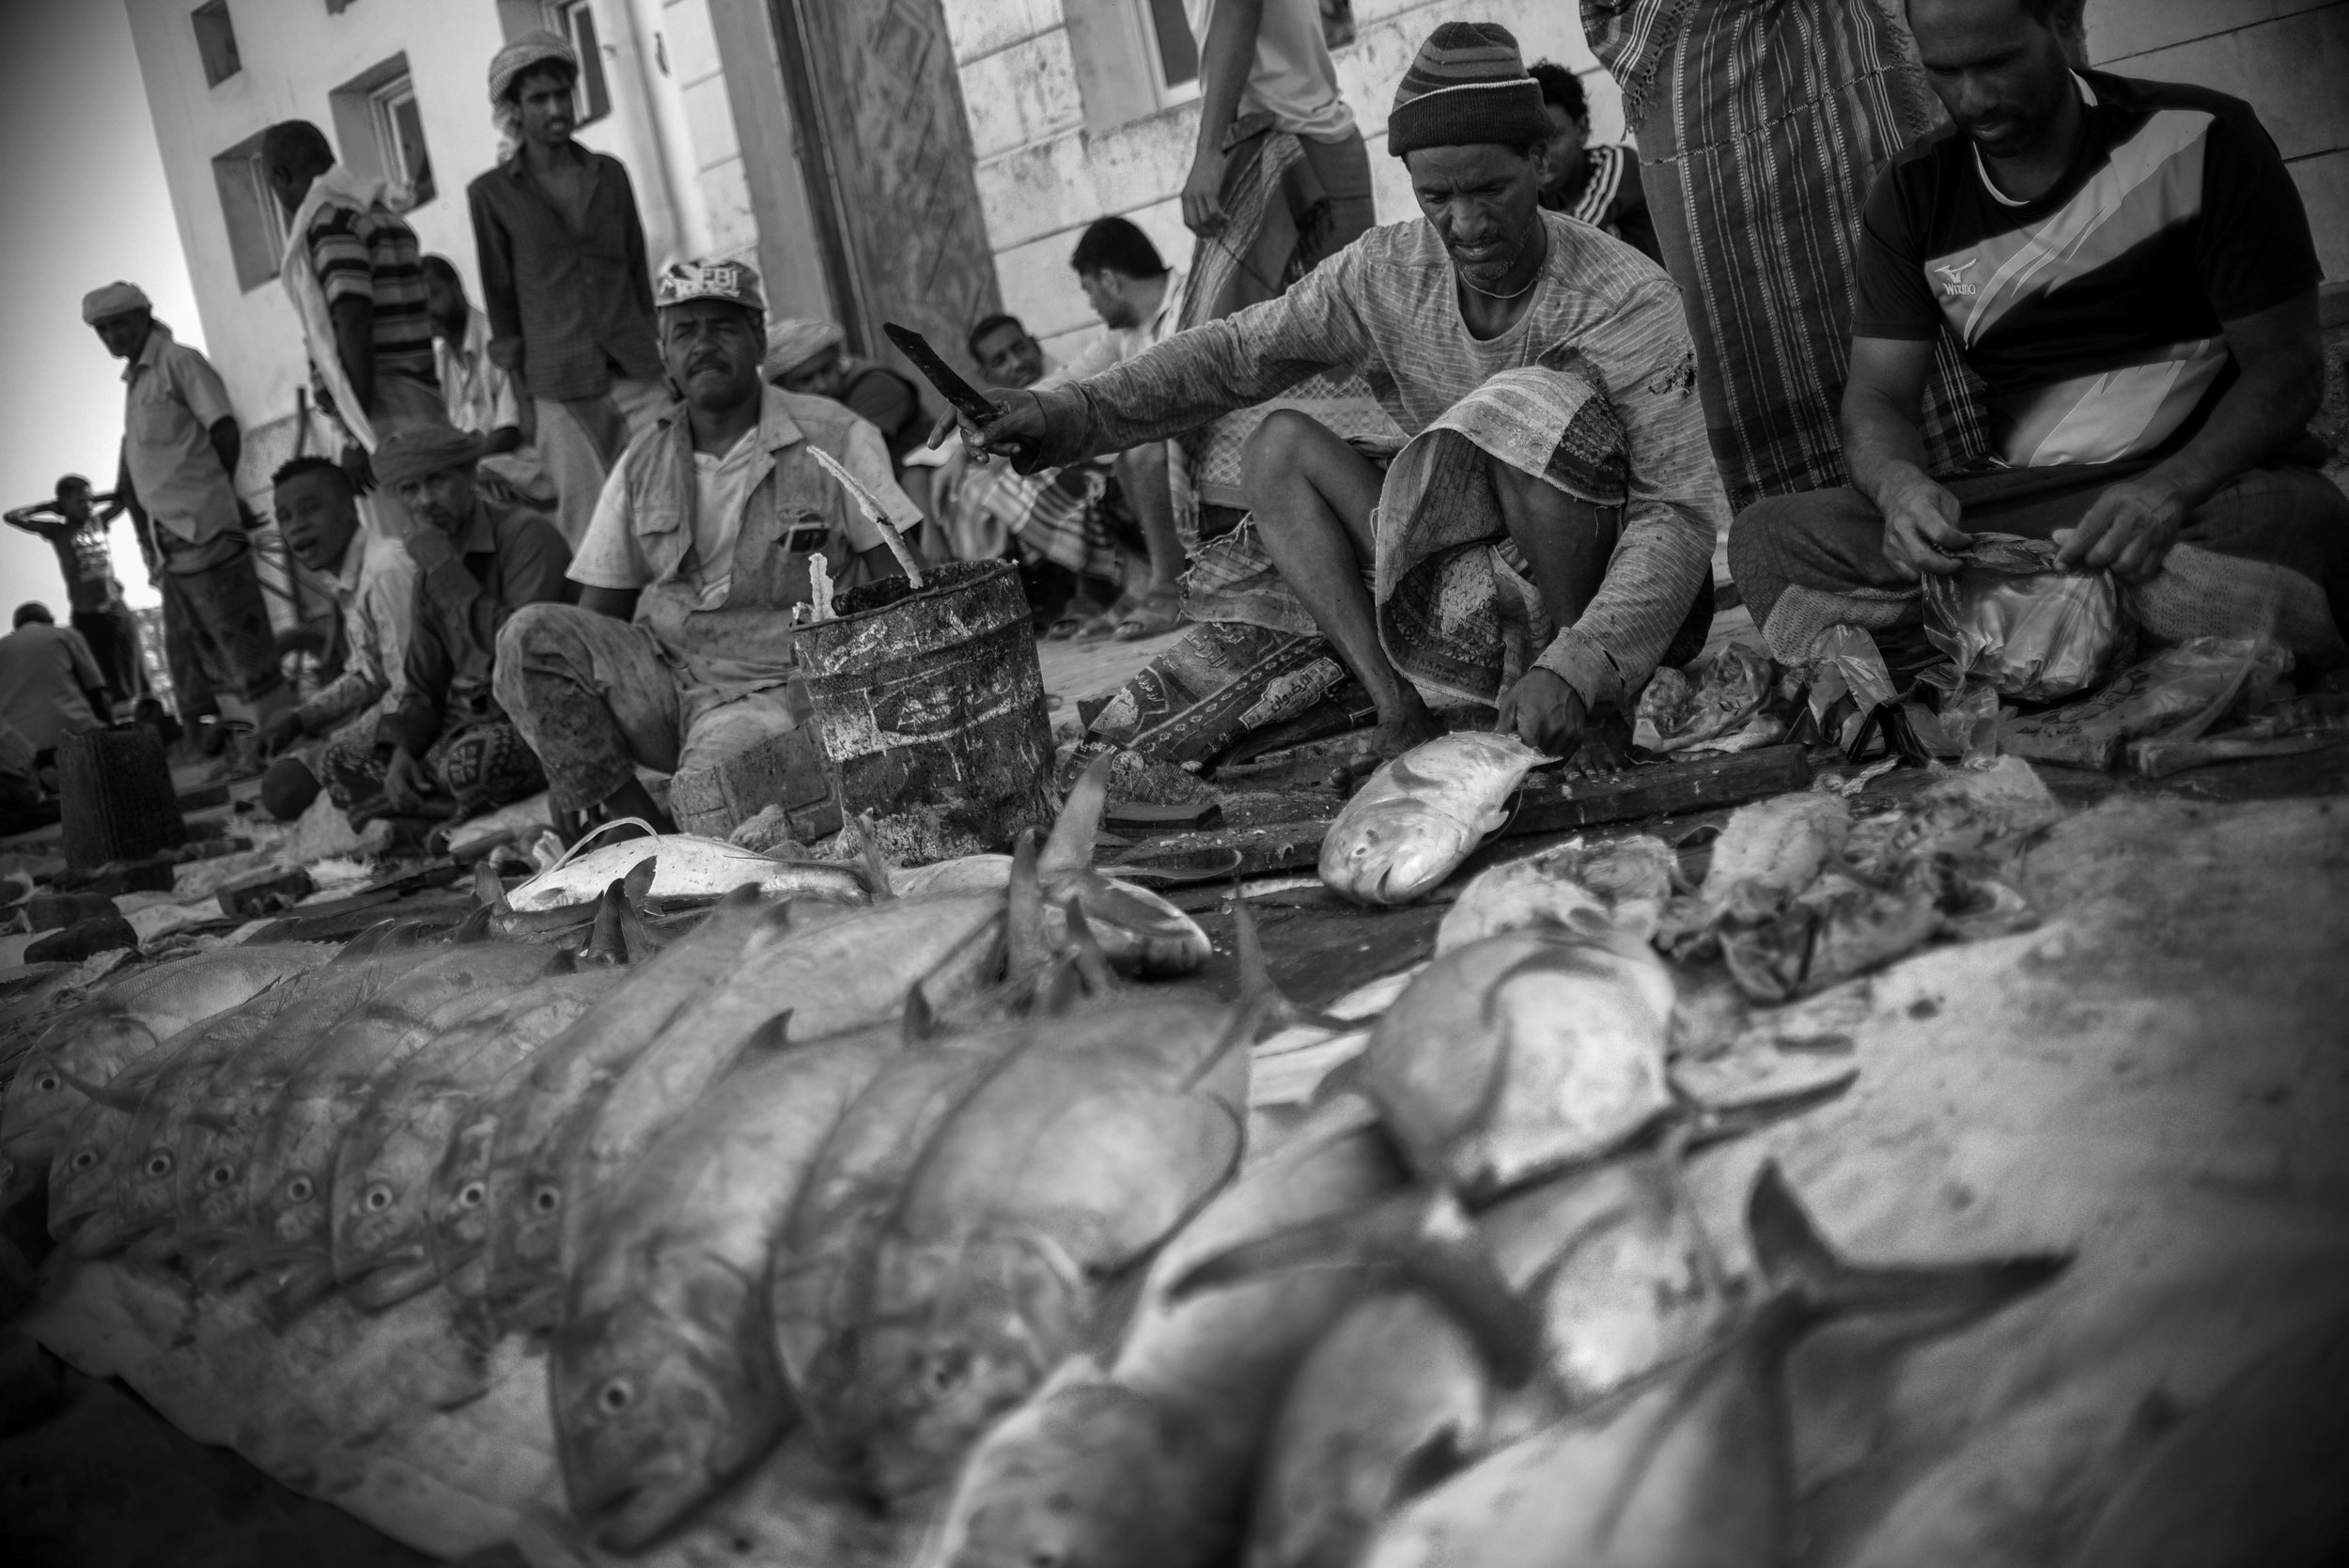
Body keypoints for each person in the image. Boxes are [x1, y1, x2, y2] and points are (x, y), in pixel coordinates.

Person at [954, 23, 1724, 767]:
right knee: (1278, 446)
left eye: (1491, 188)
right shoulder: (1387, 271)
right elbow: (1234, 354)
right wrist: (1070, 413)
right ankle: (1401, 709)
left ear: (1540, 160)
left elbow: (1678, 513)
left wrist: (1582, 666)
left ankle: (1589, 716)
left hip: (1598, 592)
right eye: (1436, 197)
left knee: (1524, 407)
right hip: (1472, 573)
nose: (1466, 223)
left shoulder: (1625, 297)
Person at [1727, 0, 2349, 670]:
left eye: (1996, 64)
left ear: (2063, 21)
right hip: (2025, 519)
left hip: (2199, 495)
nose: (1972, 98)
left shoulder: (2202, 136)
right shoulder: (1912, 195)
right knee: (1768, 541)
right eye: (1945, 71)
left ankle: (2009, 641)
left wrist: (2168, 490)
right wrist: (1898, 486)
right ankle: (2090, 633)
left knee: (2297, 526)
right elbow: (1877, 395)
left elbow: (2289, 369)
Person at [494, 258, 921, 834]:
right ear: (664, 354)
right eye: (685, 332)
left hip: (775, 688)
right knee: (528, 636)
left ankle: (678, 837)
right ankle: (639, 830)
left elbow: (908, 584)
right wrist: (570, 755)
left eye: (721, 327)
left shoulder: (836, 435)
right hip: (669, 685)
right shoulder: (644, 458)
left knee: (715, 812)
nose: (703, 345)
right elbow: (594, 621)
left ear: (757, 338)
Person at [469, 29, 668, 547]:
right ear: (515, 109)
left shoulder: (610, 175)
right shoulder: (491, 195)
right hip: (556, 380)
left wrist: (659, 352)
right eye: (539, 99)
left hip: (634, 367)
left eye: (562, 94)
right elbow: (501, 303)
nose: (556, 108)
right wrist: (523, 399)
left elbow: (636, 273)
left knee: (667, 499)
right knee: (590, 525)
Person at [320, 427, 568, 825]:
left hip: (540, 715)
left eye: (437, 481)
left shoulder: (526, 535)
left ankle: (437, 811)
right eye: (409, 489)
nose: (424, 501)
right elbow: (423, 684)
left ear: (469, 478)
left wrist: (447, 571)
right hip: (465, 723)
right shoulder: (429, 563)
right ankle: (436, 806)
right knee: (341, 760)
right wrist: (403, 753)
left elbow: (523, 655)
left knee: (469, 767)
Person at [86, 281, 289, 734]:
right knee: (211, 652)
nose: (112, 336)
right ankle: (249, 743)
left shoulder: (179, 362)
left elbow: (224, 430)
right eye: (103, 329)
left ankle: (275, 735)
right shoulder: (137, 383)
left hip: (207, 528)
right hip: (173, 539)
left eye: (119, 324)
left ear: (144, 316)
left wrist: (215, 497)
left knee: (244, 642)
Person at [260, 120, 449, 516]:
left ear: (279, 176)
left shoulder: (331, 220)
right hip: (421, 397)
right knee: (443, 532)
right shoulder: (381, 213)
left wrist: (355, 437)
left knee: (411, 549)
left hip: (382, 410)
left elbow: (353, 320)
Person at [1041, 219, 1191, 639]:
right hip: (1165, 448)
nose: (1091, 304)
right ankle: (1139, 586)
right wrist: (1005, 411)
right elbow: (1070, 379)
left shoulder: (1194, 298)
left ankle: (1170, 586)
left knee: (1141, 450)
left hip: (1210, 434)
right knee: (1107, 461)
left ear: (1108, 279)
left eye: (1089, 290)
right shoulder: (1125, 333)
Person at [254, 457, 418, 821]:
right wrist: (300, 719)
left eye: (310, 510)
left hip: (432, 719)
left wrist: (331, 749)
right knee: (287, 768)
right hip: (405, 717)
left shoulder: (386, 570)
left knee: (285, 787)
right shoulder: (350, 579)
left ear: (349, 508)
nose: (296, 527)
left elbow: (410, 691)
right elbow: (368, 674)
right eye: (285, 517)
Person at [1180, 0, 1377, 272]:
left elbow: (1238, 7)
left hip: (1294, 149)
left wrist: (1209, 150)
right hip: (1299, 137)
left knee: (1338, 307)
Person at [423, 254, 556, 511]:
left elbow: (510, 430)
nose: (427, 311)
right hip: (476, 478)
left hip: (517, 467)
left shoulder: (496, 340)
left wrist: (461, 470)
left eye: (433, 296)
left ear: (457, 287)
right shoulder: (441, 363)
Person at [5, 474, 142, 703]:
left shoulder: (98, 522)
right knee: (101, 676)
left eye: (90, 500)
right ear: (63, 505)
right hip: (88, 615)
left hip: (115, 609)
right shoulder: (58, 532)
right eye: (80, 501)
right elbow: (11, 517)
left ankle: (140, 712)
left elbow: (123, 498)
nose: (88, 506)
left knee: (130, 669)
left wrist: (94, 498)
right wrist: (48, 506)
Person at [1528, 60, 1660, 266]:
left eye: (1553, 138)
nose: (1542, 156)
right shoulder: (1540, 191)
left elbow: (1574, 238)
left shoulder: (1617, 162)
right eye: (1531, 143)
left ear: (1581, 129)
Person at [0, 605, 108, 762]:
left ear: (16, 629)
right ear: (51, 621)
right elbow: (96, 689)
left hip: (20, 748)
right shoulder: (66, 635)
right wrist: (109, 730)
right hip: (73, 733)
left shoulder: (3, 647)